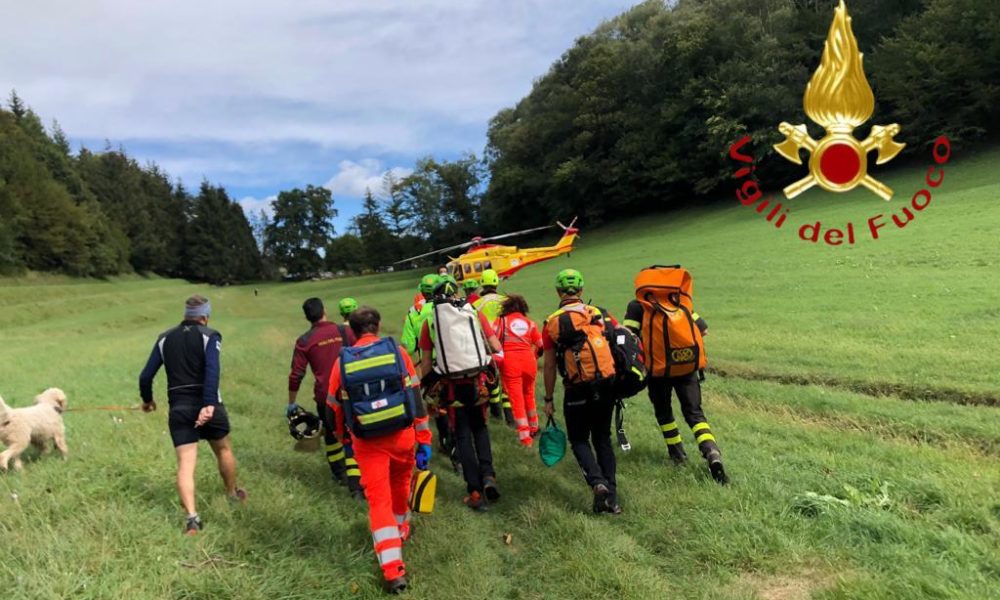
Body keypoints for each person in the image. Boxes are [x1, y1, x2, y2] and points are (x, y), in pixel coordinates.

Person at [326, 306, 432, 594]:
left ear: (352, 330)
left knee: (378, 501)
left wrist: (341, 435)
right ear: (378, 326)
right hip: (402, 435)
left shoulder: (342, 362)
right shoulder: (398, 353)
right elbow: (415, 397)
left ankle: (393, 570)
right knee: (401, 484)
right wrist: (424, 438)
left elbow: (334, 406)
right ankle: (401, 530)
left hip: (367, 442)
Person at [138, 295, 246, 535]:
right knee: (224, 450)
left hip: (179, 408)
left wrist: (147, 400)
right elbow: (212, 370)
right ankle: (231, 494)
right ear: (205, 316)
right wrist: (208, 404)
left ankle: (192, 519)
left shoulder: (164, 339)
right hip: (208, 405)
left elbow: (145, 376)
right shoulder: (210, 335)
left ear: (186, 314)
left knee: (185, 465)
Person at [419, 276, 504, 511]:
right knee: (481, 428)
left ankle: (475, 492)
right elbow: (496, 346)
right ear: (456, 293)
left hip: (452, 388)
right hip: (478, 384)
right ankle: (489, 476)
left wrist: (428, 387)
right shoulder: (473, 312)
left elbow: (426, 365)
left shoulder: (430, 321)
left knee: (463, 436)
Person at [541, 269, 622, 514]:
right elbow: (619, 338)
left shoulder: (551, 322)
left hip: (576, 388)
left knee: (578, 439)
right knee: (603, 438)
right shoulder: (598, 313)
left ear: (558, 291)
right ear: (581, 290)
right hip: (606, 383)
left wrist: (547, 398)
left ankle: (597, 483)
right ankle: (613, 499)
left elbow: (550, 365)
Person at [623, 299, 728, 483]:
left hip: (657, 371)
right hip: (686, 367)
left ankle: (677, 455)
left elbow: (628, 337)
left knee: (664, 414)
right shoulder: (681, 302)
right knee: (695, 414)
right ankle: (711, 450)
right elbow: (703, 330)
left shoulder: (637, 305)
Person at [287, 298, 362, 496]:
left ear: (306, 317)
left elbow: (296, 374)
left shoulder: (304, 341)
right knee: (353, 435)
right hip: (351, 392)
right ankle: (357, 481)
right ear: (324, 311)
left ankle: (340, 475)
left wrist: (291, 402)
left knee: (332, 436)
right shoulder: (344, 331)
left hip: (325, 397)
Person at [496, 294, 543, 447]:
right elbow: (541, 345)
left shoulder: (501, 321)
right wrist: (534, 357)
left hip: (510, 363)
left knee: (517, 400)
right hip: (529, 361)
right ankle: (534, 427)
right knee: (529, 394)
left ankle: (525, 437)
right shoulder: (530, 323)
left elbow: (491, 340)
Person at [473, 269, 513, 424]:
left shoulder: (476, 304)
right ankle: (510, 417)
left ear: (482, 284)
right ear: (497, 282)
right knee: (507, 380)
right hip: (506, 343)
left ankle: (496, 412)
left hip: (487, 346)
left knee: (492, 380)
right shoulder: (506, 301)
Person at [401, 274, 438, 356]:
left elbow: (409, 348)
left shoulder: (412, 314)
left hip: (428, 363)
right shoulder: (453, 307)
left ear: (422, 292)